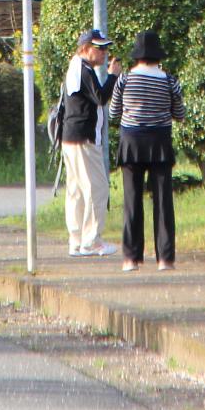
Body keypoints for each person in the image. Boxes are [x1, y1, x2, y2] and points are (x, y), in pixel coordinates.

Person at [108, 29, 184, 273]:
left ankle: (131, 258)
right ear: (157, 57)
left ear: (137, 56)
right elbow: (179, 114)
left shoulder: (125, 79)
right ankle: (165, 259)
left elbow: (113, 114)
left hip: (131, 142)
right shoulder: (170, 81)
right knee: (163, 201)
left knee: (132, 201)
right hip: (160, 142)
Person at [60, 28, 119, 257]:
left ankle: (76, 239)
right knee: (97, 188)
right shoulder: (84, 70)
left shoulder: (76, 67)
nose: (104, 53)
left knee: (76, 190)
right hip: (84, 138)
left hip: (70, 136)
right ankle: (91, 240)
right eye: (100, 48)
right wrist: (113, 76)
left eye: (106, 48)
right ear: (85, 48)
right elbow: (101, 97)